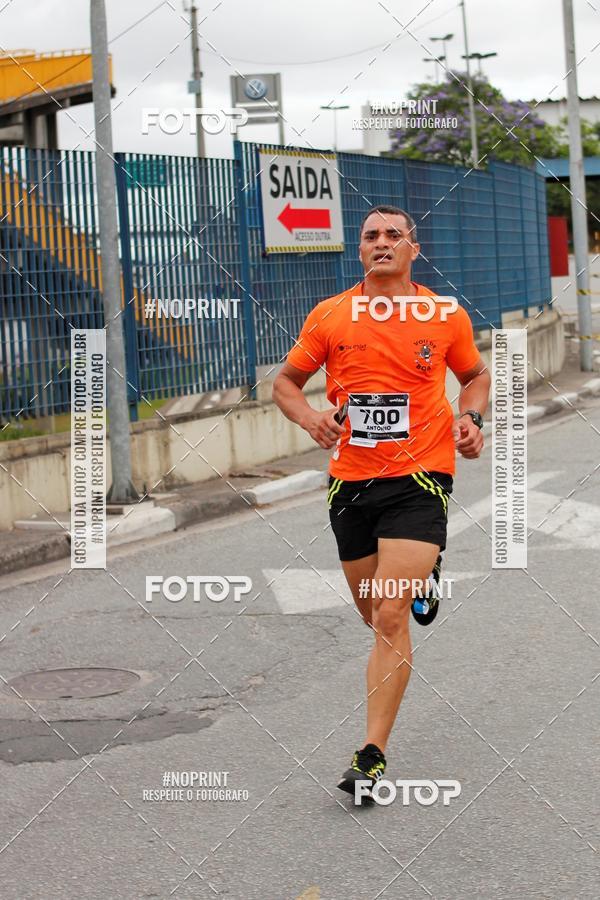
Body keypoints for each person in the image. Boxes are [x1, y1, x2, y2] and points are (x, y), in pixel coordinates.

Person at [272, 205, 490, 801]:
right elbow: (285, 384)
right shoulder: (331, 315)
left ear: (412, 249)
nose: (382, 242)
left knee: (390, 616)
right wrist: (311, 417)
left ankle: (371, 753)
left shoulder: (443, 315)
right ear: (360, 251)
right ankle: (424, 577)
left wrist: (469, 418)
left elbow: (475, 376)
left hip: (420, 479)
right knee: (373, 617)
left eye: (394, 234)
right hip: (351, 484)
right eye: (371, 236)